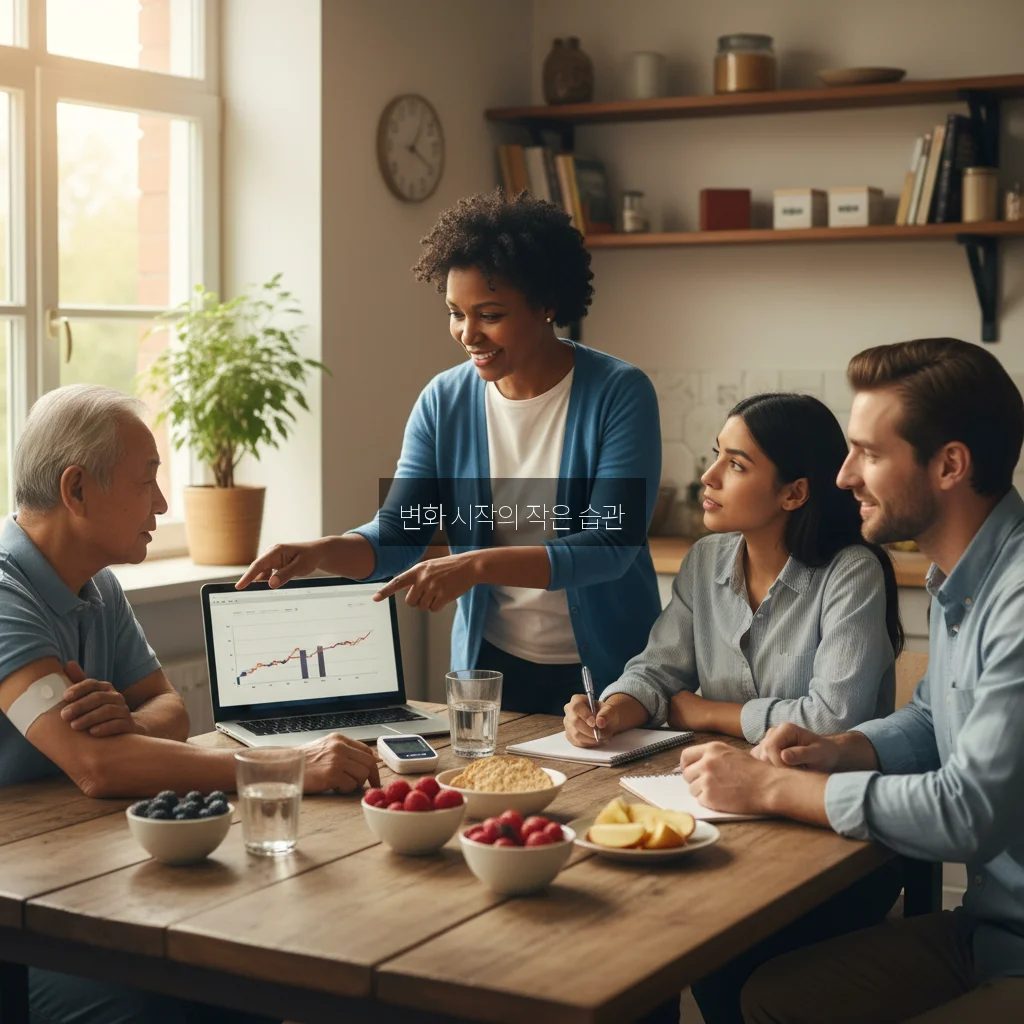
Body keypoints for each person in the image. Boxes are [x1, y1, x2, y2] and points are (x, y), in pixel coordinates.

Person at [0, 385, 382, 1023]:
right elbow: (99, 768)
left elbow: (169, 710)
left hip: (75, 863)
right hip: (21, 908)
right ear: (77, 490)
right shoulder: (5, 592)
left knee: (252, 975)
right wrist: (289, 767)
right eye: (146, 481)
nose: (162, 502)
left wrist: (128, 723)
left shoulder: (98, 584)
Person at [677, 339, 1024, 1023]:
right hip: (985, 930)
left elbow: (966, 813)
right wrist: (839, 748)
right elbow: (929, 719)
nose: (842, 477)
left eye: (868, 452)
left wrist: (776, 785)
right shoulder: (963, 578)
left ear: (950, 464)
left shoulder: (1016, 594)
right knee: (766, 998)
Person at [238, 189, 663, 714]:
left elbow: (610, 545)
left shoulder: (619, 392)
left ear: (547, 303)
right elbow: (400, 532)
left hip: (611, 676)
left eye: (489, 314)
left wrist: (474, 566)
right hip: (490, 672)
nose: (468, 333)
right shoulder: (444, 401)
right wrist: (324, 550)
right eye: (455, 313)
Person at [564, 392, 902, 750]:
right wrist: (609, 712)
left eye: (737, 465)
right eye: (717, 455)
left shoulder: (852, 572)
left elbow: (834, 719)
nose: (710, 476)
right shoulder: (705, 560)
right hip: (722, 778)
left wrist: (708, 713)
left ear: (794, 493)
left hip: (823, 791)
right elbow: (656, 673)